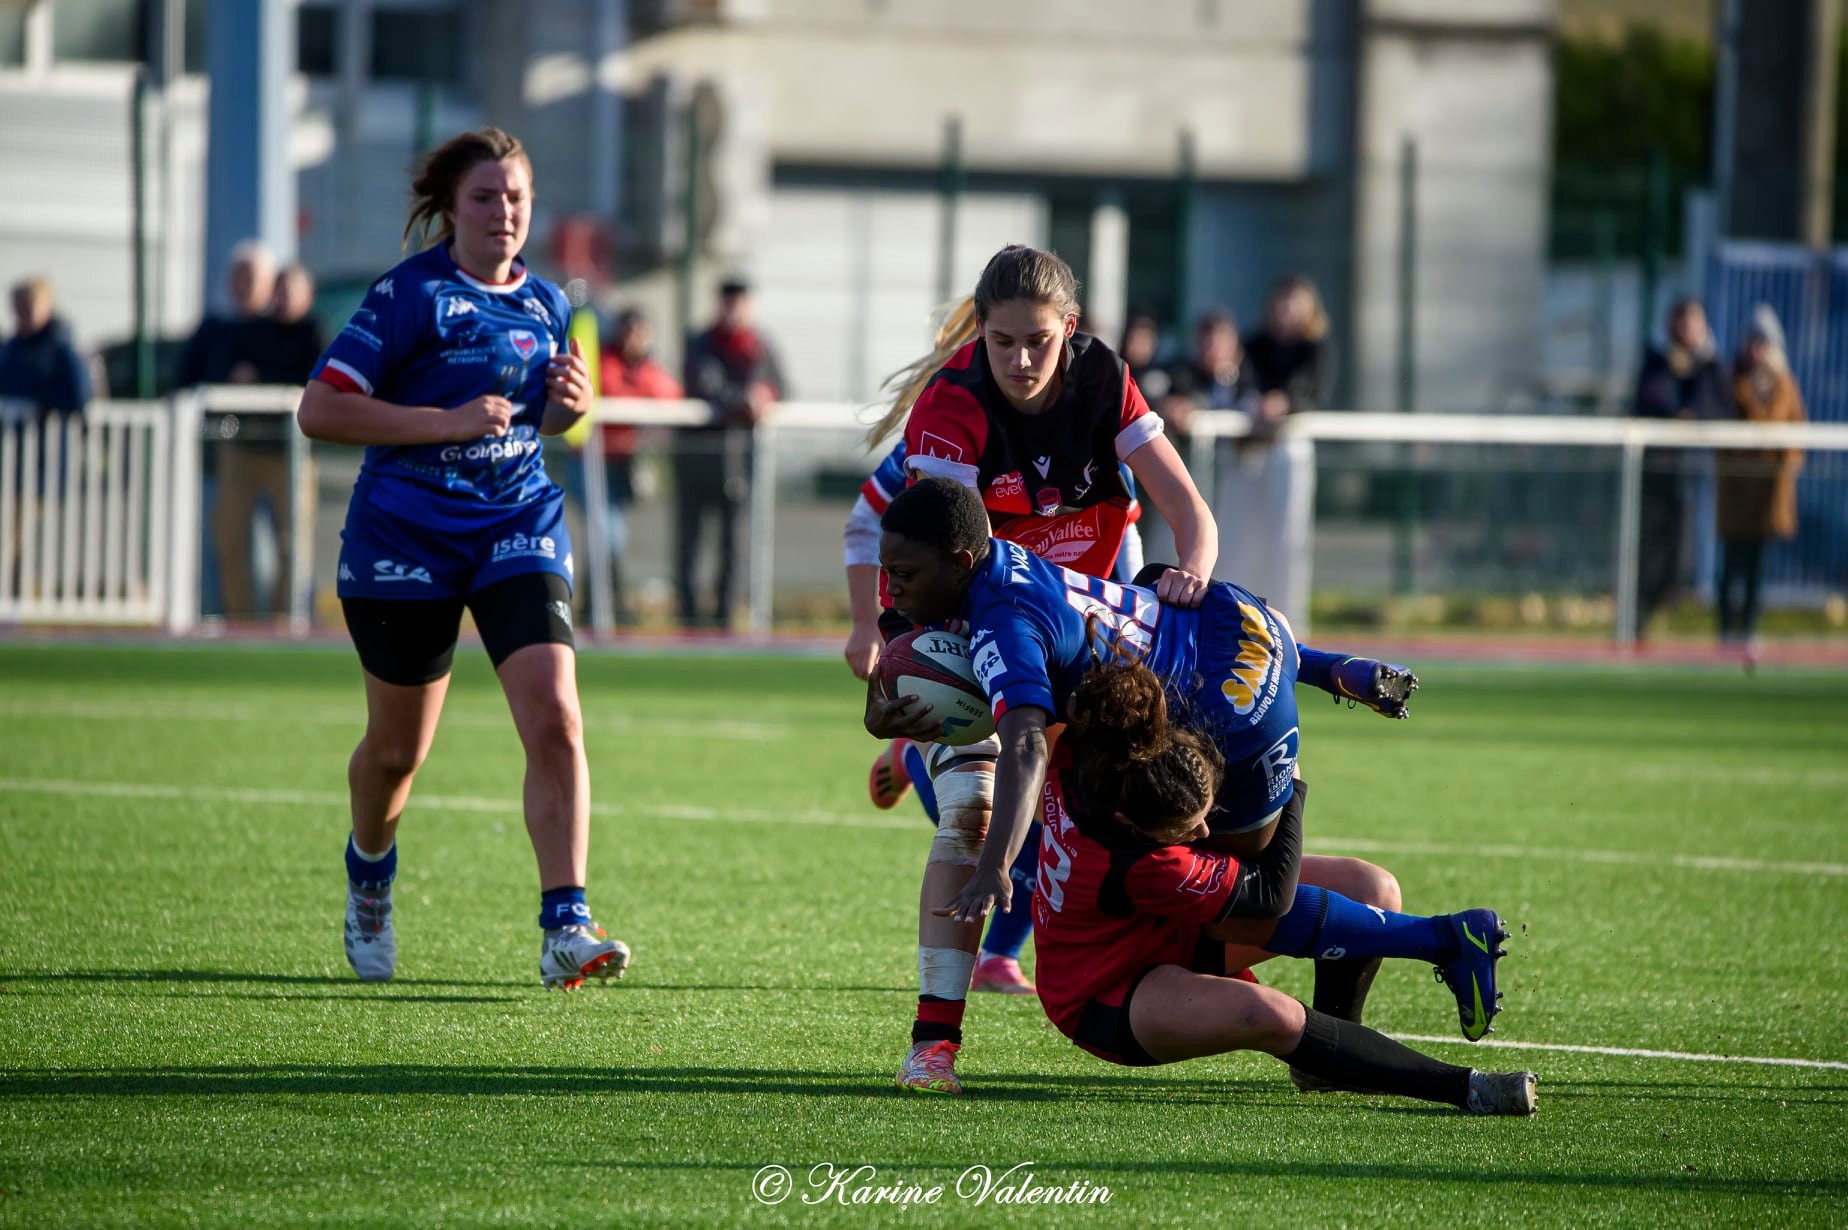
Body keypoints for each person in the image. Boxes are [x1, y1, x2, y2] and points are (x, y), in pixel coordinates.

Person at [871, 479, 1502, 1095]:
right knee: (1329, 913)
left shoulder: (1066, 735)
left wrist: (996, 863)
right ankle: (1332, 674)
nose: (892, 588)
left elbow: (1025, 741)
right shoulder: (1009, 573)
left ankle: (1401, 985)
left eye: (903, 574)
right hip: (1241, 637)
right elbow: (1010, 701)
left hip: (1221, 751)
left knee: (1290, 894)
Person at [856, 245, 1221, 1045]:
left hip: (1083, 632)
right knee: (975, 813)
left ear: (1071, 329)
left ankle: (1205, 965)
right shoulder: (951, 408)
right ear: (979, 334)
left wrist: (1192, 575)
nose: (1021, 360)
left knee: (1143, 799)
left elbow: (1190, 511)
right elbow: (930, 562)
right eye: (1002, 342)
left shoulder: (1105, 380)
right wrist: (893, 661)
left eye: (1039, 342)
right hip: (968, 626)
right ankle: (934, 1045)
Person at [296, 126, 630, 990]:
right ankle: (371, 872)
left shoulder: (549, 303)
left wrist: (570, 408)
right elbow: (320, 411)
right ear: (450, 208)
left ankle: (566, 923)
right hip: (405, 536)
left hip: (517, 521)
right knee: (396, 754)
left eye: (516, 197)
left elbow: (549, 422)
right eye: (484, 197)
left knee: (556, 715)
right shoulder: (408, 294)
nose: (503, 212)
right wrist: (443, 422)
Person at [1026, 653, 1537, 1115]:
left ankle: (1327, 1065)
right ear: (1132, 822)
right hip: (1106, 990)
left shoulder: (1081, 749)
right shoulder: (1139, 863)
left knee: (1371, 887)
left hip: (1161, 924)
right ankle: (1466, 1086)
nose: (1201, 833)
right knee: (1271, 1015)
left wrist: (1311, 662)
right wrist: (1287, 774)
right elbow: (1272, 899)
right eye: (1186, 829)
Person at [677, 277, 785, 628]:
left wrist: (764, 395)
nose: (734, 310)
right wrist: (745, 401)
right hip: (698, 460)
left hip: (740, 461)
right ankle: (689, 618)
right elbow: (705, 385)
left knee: (734, 545)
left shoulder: (760, 345)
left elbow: (781, 385)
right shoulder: (701, 343)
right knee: (691, 543)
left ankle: (725, 618)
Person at [1633, 297, 1729, 637]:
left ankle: (1664, 602)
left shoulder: (1711, 365)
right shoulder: (1656, 360)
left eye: (1692, 321)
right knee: (1647, 551)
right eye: (1680, 321)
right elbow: (1645, 400)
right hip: (1656, 469)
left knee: (1681, 555)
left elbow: (1720, 406)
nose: (1686, 328)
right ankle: (1636, 623)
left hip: (1693, 473)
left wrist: (1694, 411)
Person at [1716, 305, 1805, 658]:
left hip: (1769, 492)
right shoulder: (1733, 379)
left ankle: (1749, 630)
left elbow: (1797, 433)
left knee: (1756, 568)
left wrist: (1784, 468)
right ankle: (1726, 631)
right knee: (1731, 565)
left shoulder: (1785, 385)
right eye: (1754, 342)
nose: (1758, 350)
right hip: (1737, 491)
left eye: (1764, 343)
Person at [594, 308, 682, 625]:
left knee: (612, 533)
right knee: (607, 532)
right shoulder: (605, 360)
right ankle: (604, 604)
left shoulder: (650, 366)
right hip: (594, 460)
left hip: (625, 462)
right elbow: (609, 388)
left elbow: (669, 394)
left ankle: (605, 603)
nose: (635, 339)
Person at [0, 275, 92, 426]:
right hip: (14, 436)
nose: (20, 316)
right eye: (17, 310)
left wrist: (40, 398)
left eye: (27, 309)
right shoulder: (10, 350)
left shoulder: (63, 350)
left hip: (53, 435)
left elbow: (77, 394)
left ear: (46, 307)